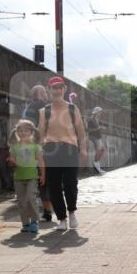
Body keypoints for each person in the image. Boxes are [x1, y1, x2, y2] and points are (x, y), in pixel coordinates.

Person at [38, 76, 87, 230]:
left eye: (60, 87)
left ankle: (72, 212)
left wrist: (83, 149)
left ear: (64, 89)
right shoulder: (44, 111)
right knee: (53, 187)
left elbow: (81, 132)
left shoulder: (73, 109)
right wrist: (39, 154)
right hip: (51, 150)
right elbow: (40, 135)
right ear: (49, 90)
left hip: (69, 149)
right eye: (54, 87)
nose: (57, 90)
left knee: (71, 184)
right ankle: (62, 218)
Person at [6, 119, 45, 233]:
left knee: (31, 198)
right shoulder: (14, 147)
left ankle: (34, 221)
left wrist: (43, 175)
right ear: (17, 132)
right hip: (18, 177)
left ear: (31, 132)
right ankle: (25, 223)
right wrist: (11, 161)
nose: (23, 133)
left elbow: (41, 161)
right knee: (22, 201)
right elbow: (11, 162)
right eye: (21, 131)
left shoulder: (35, 146)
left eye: (26, 131)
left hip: (32, 176)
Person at [22, 85, 54, 221]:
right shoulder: (48, 105)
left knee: (41, 179)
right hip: (51, 146)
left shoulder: (30, 107)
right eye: (44, 91)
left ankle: (47, 211)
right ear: (40, 93)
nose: (47, 93)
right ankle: (49, 210)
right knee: (48, 179)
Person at [86, 106, 107, 173]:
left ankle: (96, 164)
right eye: (99, 112)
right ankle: (96, 165)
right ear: (96, 112)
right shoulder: (91, 119)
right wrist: (99, 128)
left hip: (98, 137)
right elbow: (89, 130)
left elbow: (98, 127)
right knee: (99, 150)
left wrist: (101, 128)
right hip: (94, 137)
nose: (100, 113)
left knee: (103, 150)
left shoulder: (96, 119)